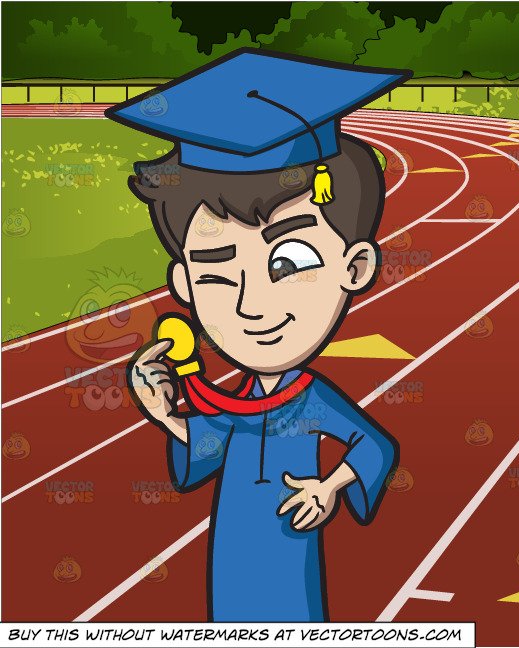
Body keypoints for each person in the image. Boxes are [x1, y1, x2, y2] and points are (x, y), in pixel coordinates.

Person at [112, 48, 410, 621]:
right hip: (232, 556)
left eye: (289, 263)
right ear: (186, 284)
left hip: (290, 559)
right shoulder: (235, 399)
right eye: (219, 273)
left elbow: (376, 446)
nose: (250, 305)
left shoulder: (311, 399)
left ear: (355, 269)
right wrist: (165, 411)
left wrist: (330, 488)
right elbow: (207, 448)